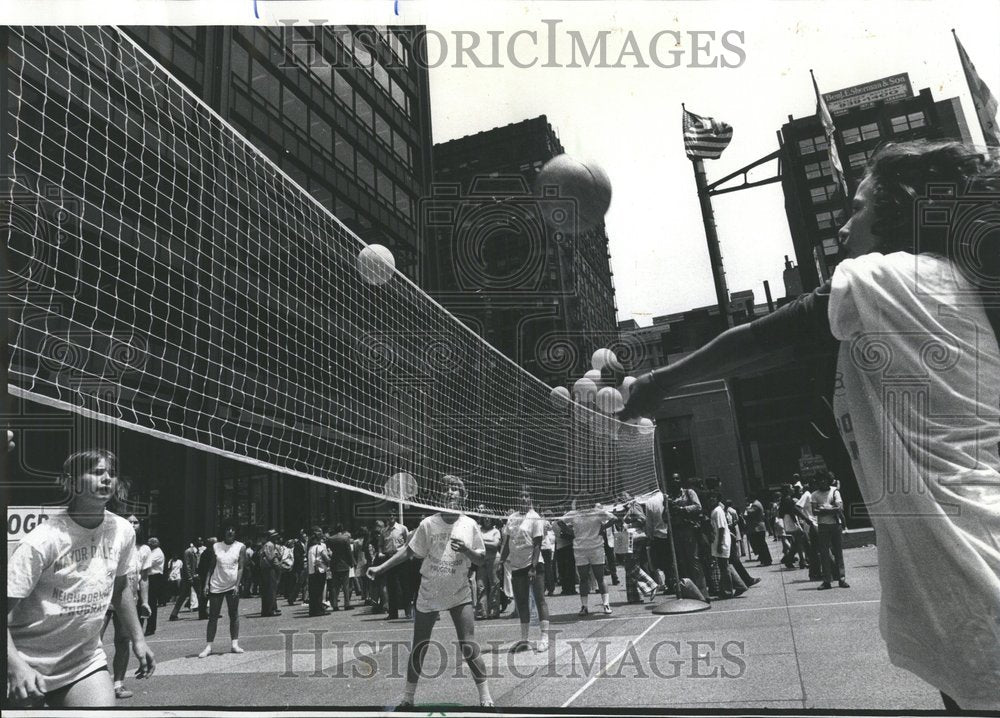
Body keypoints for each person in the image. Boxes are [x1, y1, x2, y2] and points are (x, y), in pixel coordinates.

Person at [622, 140, 1000, 710]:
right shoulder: (953, 292)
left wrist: (653, 385)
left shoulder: (889, 282)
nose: (845, 227)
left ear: (899, 208)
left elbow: (763, 339)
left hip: (972, 569)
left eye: (857, 208)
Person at [7, 449, 155, 707]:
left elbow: (120, 589)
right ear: (72, 482)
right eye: (97, 472)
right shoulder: (42, 541)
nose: (107, 478)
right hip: (25, 662)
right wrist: (15, 665)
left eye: (112, 473)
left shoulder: (121, 530)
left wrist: (138, 638)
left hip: (82, 663)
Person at [367, 475, 493, 709]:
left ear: (462, 496)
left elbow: (482, 558)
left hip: (459, 591)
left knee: (468, 644)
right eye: (446, 489)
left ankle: (486, 698)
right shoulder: (428, 524)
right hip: (429, 591)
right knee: (420, 645)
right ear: (439, 496)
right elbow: (408, 552)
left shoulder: (469, 524)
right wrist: (381, 568)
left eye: (455, 489)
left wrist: (466, 549)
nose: (450, 492)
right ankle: (408, 697)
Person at [498, 487, 550, 652]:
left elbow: (537, 544)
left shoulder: (535, 518)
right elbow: (507, 543)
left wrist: (533, 567)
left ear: (531, 499)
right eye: (521, 496)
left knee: (539, 599)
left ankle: (544, 637)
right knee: (521, 602)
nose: (524, 498)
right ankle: (524, 639)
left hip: (533, 564)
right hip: (516, 564)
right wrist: (501, 561)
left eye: (527, 496)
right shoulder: (512, 518)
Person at [99, 514, 142, 700]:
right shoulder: (110, 543)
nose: (132, 524)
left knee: (123, 641)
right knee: (94, 642)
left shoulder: (142, 550)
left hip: (127, 601)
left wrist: (145, 601)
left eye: (136, 522)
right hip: (105, 600)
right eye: (129, 521)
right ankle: (98, 682)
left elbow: (144, 578)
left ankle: (118, 684)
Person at [197, 521, 247, 658]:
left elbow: (241, 567)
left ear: (236, 532)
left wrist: (237, 584)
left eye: (232, 529)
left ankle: (234, 644)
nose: (230, 531)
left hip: (232, 585)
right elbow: (211, 567)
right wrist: (206, 584)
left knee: (234, 614)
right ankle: (208, 646)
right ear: (223, 532)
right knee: (213, 616)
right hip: (217, 584)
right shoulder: (216, 546)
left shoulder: (240, 547)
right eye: (227, 529)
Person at [559, 502, 616, 616]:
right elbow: (559, 522)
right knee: (583, 578)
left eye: (585, 499)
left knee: (600, 577)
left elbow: (614, 518)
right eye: (581, 499)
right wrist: (570, 532)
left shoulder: (598, 512)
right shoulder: (574, 514)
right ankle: (584, 606)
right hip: (580, 549)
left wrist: (602, 528)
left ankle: (606, 604)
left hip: (596, 548)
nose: (583, 502)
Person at [811, 470, 849, 590]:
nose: (822, 481)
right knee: (824, 553)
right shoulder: (814, 494)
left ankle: (842, 579)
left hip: (835, 525)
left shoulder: (834, 491)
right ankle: (827, 580)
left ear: (828, 479)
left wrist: (823, 509)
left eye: (824, 479)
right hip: (822, 526)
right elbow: (814, 511)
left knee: (838, 552)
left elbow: (840, 508)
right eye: (820, 479)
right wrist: (830, 509)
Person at [380, 513, 410, 620]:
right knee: (391, 586)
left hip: (400, 558)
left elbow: (408, 542)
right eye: (389, 515)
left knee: (404, 585)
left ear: (396, 517)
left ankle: (408, 611)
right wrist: (380, 552)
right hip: (389, 558)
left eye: (393, 515)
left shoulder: (402, 528)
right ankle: (393, 613)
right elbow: (381, 544)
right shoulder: (383, 531)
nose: (391, 517)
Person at [475, 511, 501, 620]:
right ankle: (482, 611)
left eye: (489, 518)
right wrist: (486, 542)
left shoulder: (496, 531)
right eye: (484, 518)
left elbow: (495, 545)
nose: (487, 520)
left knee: (494, 584)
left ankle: (494, 610)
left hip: (494, 559)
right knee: (481, 585)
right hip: (481, 559)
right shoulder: (478, 530)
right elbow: (474, 542)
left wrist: (482, 542)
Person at [170, 539, 201, 620]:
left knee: (199, 594)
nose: (201, 543)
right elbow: (187, 565)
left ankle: (203, 611)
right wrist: (190, 576)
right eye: (199, 541)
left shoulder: (198, 551)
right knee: (183, 596)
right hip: (190, 577)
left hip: (196, 575)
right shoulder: (188, 552)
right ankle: (174, 614)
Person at [327, 525, 354, 610]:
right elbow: (348, 551)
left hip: (334, 563)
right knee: (346, 585)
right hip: (344, 563)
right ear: (342, 530)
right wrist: (351, 562)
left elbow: (329, 550)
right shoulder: (345, 538)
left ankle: (335, 604)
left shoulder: (330, 539)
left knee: (335, 585)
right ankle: (347, 604)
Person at [306, 526, 330, 617]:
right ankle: (319, 610)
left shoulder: (310, 548)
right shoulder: (319, 548)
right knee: (319, 591)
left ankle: (313, 610)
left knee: (313, 592)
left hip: (311, 572)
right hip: (319, 571)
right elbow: (326, 559)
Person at [144, 537, 165, 635]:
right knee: (146, 601)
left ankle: (151, 627)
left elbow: (146, 563)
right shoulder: (152, 552)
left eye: (150, 543)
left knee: (151, 602)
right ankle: (146, 626)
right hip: (149, 577)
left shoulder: (157, 553)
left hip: (154, 578)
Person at [259, 530, 282, 617]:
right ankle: (269, 610)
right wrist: (278, 567)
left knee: (270, 590)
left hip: (268, 569)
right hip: (269, 569)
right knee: (270, 590)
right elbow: (271, 558)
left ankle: (271, 608)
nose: (276, 537)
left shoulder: (270, 544)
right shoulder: (270, 545)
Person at [746, 492, 773, 566]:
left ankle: (766, 560)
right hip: (759, 526)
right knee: (761, 544)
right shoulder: (757, 503)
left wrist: (747, 508)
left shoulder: (755, 505)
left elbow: (749, 513)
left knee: (761, 545)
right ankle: (765, 560)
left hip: (758, 527)